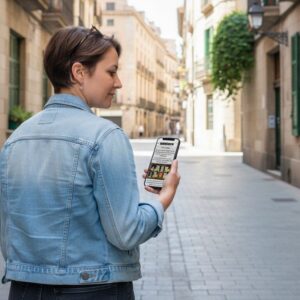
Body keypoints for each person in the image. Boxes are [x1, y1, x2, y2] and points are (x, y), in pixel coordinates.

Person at [0, 26, 180, 300]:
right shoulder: (105, 137)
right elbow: (126, 232)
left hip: (23, 289)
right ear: (79, 73)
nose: (118, 82)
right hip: (93, 289)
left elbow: (9, 228)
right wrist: (163, 198)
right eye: (111, 71)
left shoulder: (15, 140)